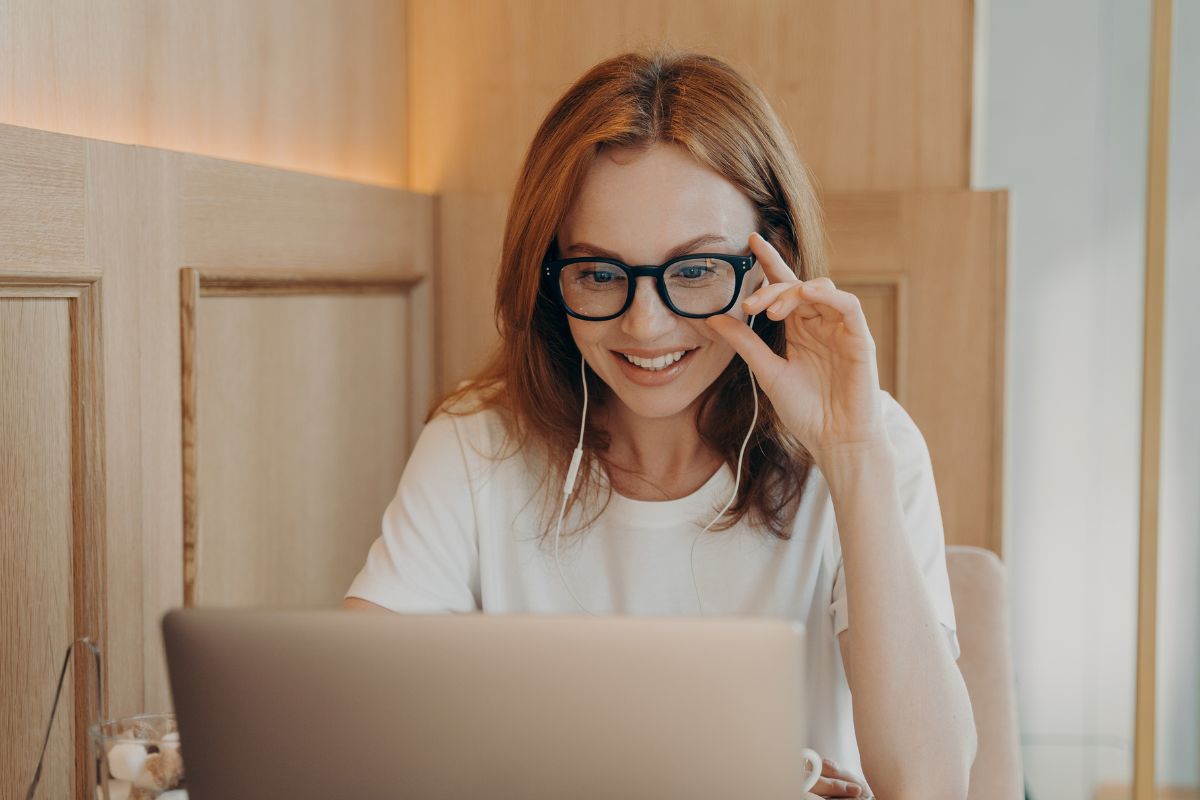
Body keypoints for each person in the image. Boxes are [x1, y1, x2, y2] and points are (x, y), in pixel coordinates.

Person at [344, 51, 976, 798]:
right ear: (550, 276)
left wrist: (853, 457)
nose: (646, 326)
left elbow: (931, 784)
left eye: (696, 271)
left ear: (775, 261)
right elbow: (351, 733)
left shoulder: (871, 441)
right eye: (601, 274)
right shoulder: (477, 441)